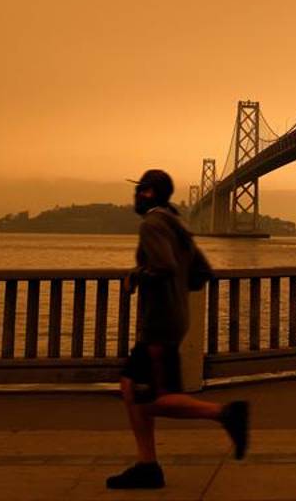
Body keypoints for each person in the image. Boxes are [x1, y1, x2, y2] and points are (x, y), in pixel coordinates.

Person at [107, 169, 250, 490]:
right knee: (132, 387)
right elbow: (202, 273)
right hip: (174, 318)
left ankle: (226, 413)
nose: (135, 195)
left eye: (140, 189)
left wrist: (135, 277)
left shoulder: (153, 224)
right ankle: (147, 465)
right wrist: (176, 291)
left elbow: (163, 267)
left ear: (149, 193)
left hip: (159, 323)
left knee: (154, 396)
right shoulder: (179, 227)